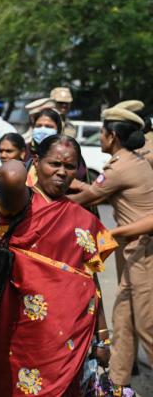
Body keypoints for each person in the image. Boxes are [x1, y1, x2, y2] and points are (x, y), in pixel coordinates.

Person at [0, 135, 117, 396]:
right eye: (54, 163)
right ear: (36, 161)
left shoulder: (84, 218)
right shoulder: (21, 203)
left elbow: (90, 279)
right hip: (19, 328)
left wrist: (102, 336)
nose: (61, 172)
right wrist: (22, 161)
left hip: (70, 334)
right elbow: (10, 173)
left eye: (70, 166)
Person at [68, 107, 153, 394]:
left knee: (146, 327)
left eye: (102, 134)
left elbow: (86, 197)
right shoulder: (132, 160)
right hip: (136, 254)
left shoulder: (120, 168)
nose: (100, 138)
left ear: (112, 136)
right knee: (124, 318)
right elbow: (92, 188)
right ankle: (118, 384)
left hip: (144, 254)